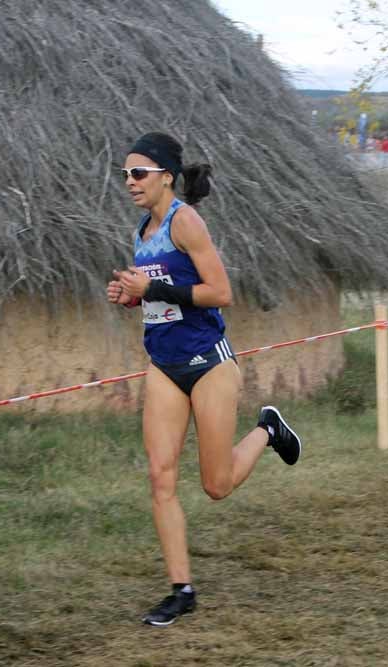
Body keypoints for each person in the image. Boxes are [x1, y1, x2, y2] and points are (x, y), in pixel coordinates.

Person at [107, 132, 302, 627]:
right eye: (125, 173)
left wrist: (152, 285)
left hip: (208, 363)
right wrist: (133, 295)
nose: (129, 182)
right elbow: (162, 295)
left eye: (138, 173)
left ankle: (268, 429)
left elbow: (220, 292)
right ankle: (181, 589)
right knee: (160, 476)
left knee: (216, 485)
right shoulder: (142, 228)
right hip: (164, 366)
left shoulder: (185, 221)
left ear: (166, 176)